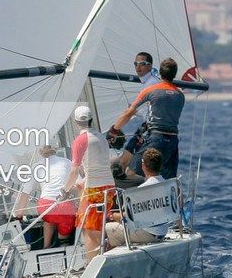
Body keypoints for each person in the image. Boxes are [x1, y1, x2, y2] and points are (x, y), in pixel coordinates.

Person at [109, 57, 186, 179]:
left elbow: (128, 113)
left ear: (160, 73)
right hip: (173, 140)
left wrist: (114, 130)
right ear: (174, 74)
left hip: (156, 138)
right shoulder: (180, 95)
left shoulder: (151, 91)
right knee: (169, 179)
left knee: (132, 174)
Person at [64, 104, 117, 262]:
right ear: (91, 120)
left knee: (89, 230)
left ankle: (93, 267)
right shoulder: (101, 137)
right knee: (99, 227)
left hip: (94, 189)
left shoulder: (80, 141)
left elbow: (74, 172)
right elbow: (98, 168)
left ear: (75, 122)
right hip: (109, 186)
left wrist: (65, 191)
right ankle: (106, 261)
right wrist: (79, 186)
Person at [104, 147, 176, 249]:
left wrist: (111, 216)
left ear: (143, 166)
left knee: (106, 228)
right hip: (162, 232)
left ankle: (98, 261)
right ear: (160, 165)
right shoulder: (168, 185)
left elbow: (129, 216)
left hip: (147, 234)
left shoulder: (143, 189)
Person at [14, 143, 76, 248]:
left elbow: (26, 191)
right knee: (63, 231)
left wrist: (19, 214)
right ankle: (63, 244)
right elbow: (77, 184)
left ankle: (46, 246)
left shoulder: (36, 166)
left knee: (48, 219)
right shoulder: (67, 162)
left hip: (45, 207)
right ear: (55, 149)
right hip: (65, 207)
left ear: (40, 152)